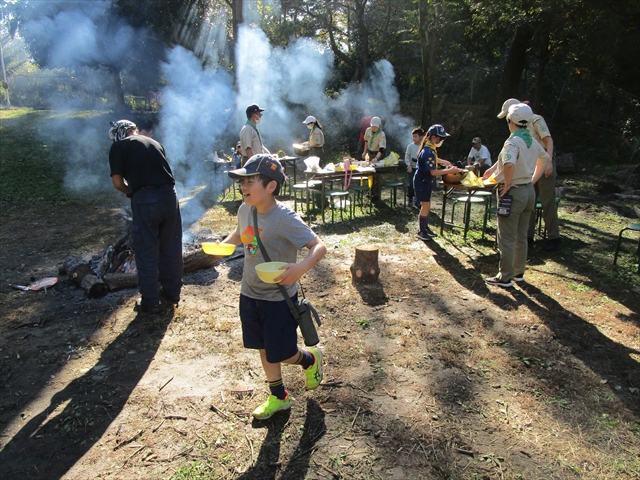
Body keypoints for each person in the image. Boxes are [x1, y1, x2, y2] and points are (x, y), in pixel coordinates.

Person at [219, 155, 327, 420]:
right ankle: (278, 397)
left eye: (250, 181)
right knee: (263, 346)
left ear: (270, 187)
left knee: (284, 351)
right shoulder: (245, 209)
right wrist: (224, 244)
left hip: (279, 298)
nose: (243, 186)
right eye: (242, 181)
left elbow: (319, 247)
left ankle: (310, 359)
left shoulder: (284, 218)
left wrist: (299, 269)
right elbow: (239, 233)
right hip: (250, 293)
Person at [108, 120, 183, 313]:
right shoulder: (154, 143)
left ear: (119, 133)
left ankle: (150, 302)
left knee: (147, 249)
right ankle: (172, 293)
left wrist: (131, 193)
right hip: (170, 196)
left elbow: (117, 183)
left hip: (145, 199)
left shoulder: (119, 146)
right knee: (171, 247)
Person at [483, 103, 550, 287]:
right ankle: (518, 273)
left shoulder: (512, 142)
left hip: (513, 192)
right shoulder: (531, 140)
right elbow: (544, 158)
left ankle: (505, 276)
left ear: (510, 120)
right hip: (528, 191)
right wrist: (532, 180)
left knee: (506, 236)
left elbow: (510, 164)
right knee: (521, 235)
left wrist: (509, 182)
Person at [497, 98, 560, 252]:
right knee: (528, 201)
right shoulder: (515, 132)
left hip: (544, 163)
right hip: (529, 166)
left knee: (547, 201)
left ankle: (554, 237)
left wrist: (549, 161)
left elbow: (548, 140)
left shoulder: (535, 119)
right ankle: (528, 236)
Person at [414, 124, 462, 240]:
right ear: (434, 137)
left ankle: (425, 227)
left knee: (427, 205)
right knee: (425, 206)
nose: (442, 141)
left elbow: (433, 160)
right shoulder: (428, 151)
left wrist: (443, 162)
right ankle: (421, 231)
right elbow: (433, 172)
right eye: (441, 138)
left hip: (425, 181)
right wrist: (449, 170)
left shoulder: (431, 149)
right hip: (422, 181)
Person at [362, 116, 386, 200]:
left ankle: (376, 195)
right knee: (369, 174)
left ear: (379, 126)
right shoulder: (368, 130)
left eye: (375, 126)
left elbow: (382, 149)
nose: (373, 127)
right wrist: (364, 152)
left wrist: (376, 158)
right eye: (372, 125)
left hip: (377, 154)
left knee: (377, 176)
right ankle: (370, 191)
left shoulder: (381, 134)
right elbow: (366, 141)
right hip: (369, 152)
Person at [405, 127, 425, 208]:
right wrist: (408, 165)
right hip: (412, 168)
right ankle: (410, 198)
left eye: (416, 136)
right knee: (410, 184)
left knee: (419, 184)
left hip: (420, 169)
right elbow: (407, 157)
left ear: (420, 137)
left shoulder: (423, 147)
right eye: (413, 136)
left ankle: (418, 200)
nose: (414, 138)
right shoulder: (410, 146)